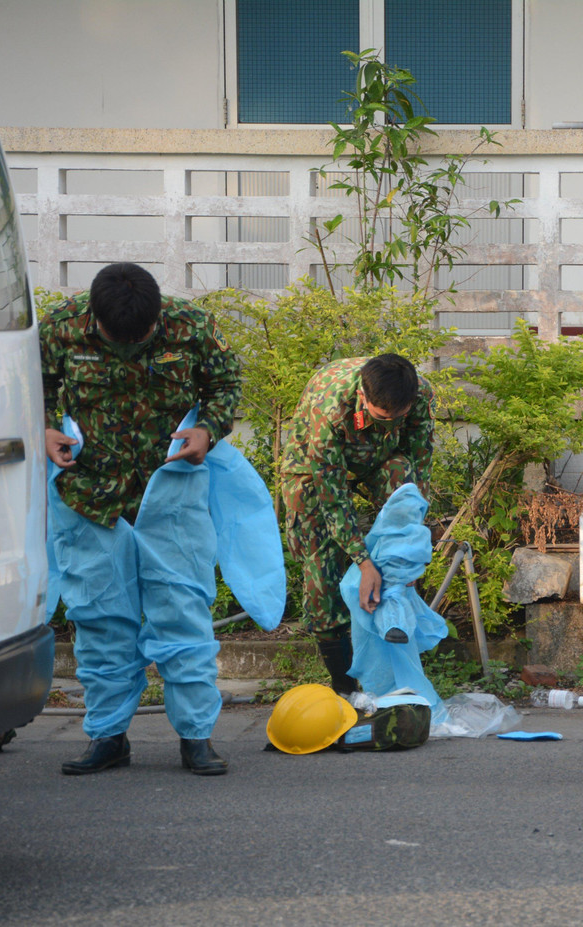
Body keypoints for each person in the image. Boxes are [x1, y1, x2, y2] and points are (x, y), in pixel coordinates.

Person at [41, 262, 242, 776]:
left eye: (143, 338)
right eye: (115, 340)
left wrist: (209, 430)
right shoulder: (60, 327)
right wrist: (41, 427)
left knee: (184, 610)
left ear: (158, 316)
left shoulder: (193, 327)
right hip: (90, 493)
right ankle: (108, 736)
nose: (129, 346)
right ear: (95, 319)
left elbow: (225, 385)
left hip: (171, 488)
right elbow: (32, 387)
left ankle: (196, 737)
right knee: (98, 616)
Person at [280, 354, 433, 694]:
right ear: (363, 397)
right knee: (321, 573)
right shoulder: (330, 408)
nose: (391, 422)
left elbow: (419, 470)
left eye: (399, 417)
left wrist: (408, 550)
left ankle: (395, 619)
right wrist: (363, 563)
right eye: (382, 417)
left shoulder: (419, 393)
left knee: (403, 483)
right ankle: (346, 689)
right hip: (314, 468)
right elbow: (332, 497)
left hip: (380, 459)